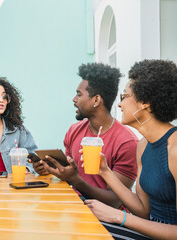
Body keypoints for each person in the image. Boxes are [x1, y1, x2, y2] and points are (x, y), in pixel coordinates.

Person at [85, 59, 177, 239]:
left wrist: (119, 216)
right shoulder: (143, 146)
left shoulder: (174, 149)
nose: (119, 104)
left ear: (145, 102)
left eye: (124, 97)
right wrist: (105, 172)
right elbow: (144, 211)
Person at [35, 63, 138, 209]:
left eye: (79, 94)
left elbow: (115, 201)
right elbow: (69, 173)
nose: (74, 99)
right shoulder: (74, 130)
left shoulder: (127, 142)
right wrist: (49, 169)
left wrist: (75, 180)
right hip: (77, 209)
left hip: (109, 221)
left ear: (96, 100)